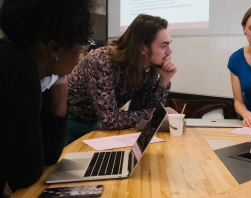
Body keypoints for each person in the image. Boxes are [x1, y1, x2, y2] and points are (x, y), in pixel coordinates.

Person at [0, 0, 94, 193]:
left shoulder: (27, 68)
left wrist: (60, 90)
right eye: (81, 44)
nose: (81, 53)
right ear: (54, 48)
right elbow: (26, 173)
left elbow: (49, 157)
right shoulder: (16, 69)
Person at [67, 14, 177, 144]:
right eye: (164, 45)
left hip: (95, 123)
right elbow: (110, 119)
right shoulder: (102, 61)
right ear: (142, 48)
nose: (169, 51)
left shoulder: (147, 67)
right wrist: (158, 113)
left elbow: (149, 110)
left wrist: (164, 81)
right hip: (70, 122)